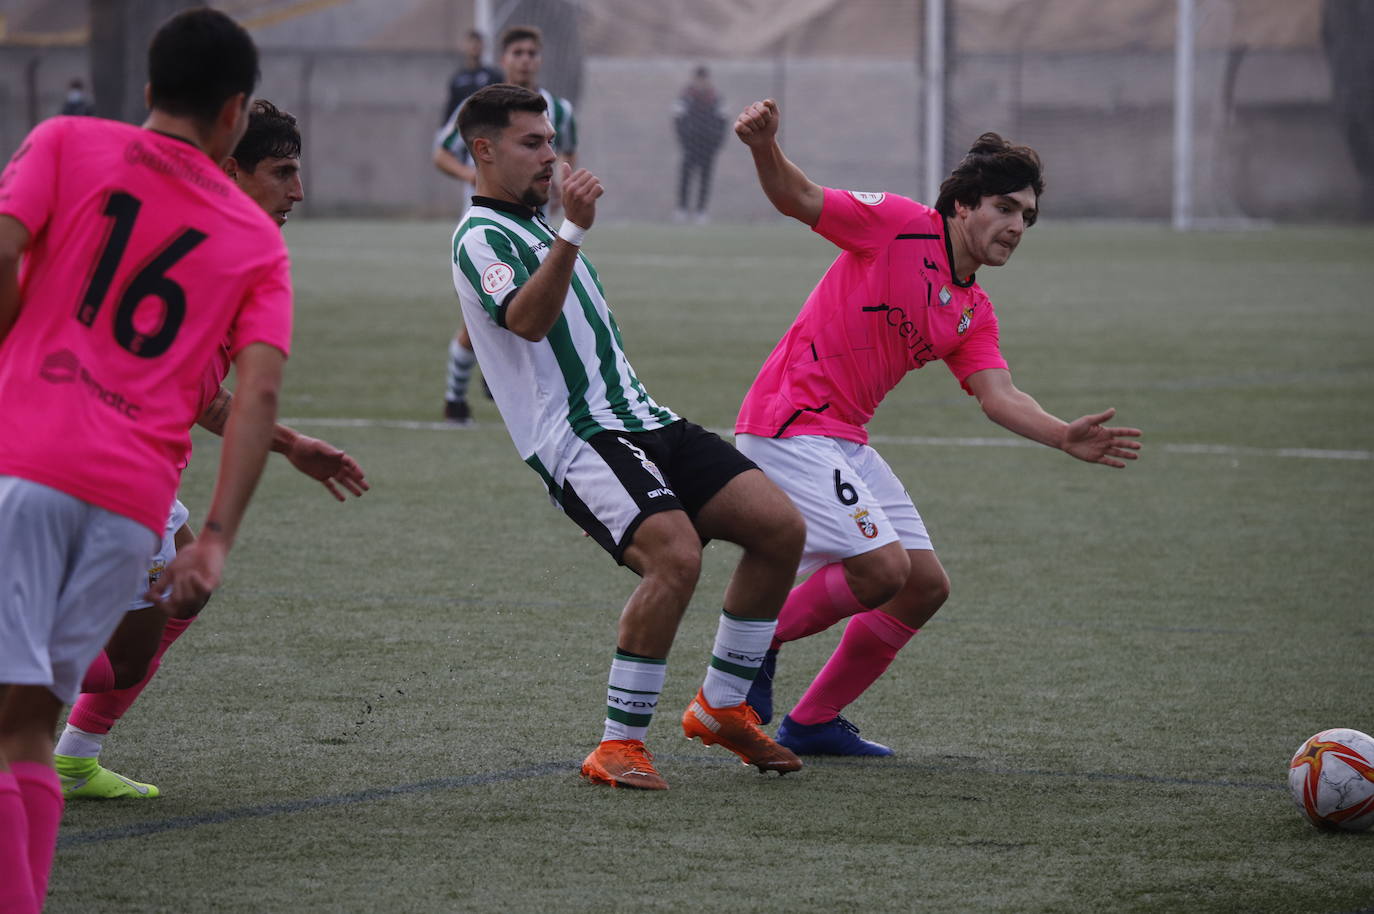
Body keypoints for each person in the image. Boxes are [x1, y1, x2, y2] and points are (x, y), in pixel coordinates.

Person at [731, 99, 1143, 756]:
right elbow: (798, 195)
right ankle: (754, 643)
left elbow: (999, 394)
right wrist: (764, 146)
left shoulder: (973, 311)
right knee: (882, 569)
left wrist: (1062, 434)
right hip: (788, 424)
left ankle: (811, 724)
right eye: (1005, 208)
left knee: (923, 586)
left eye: (1027, 217)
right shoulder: (898, 224)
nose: (1016, 226)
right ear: (963, 206)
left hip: (843, 438)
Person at [0, 9, 291, 909]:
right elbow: (257, 396)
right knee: (26, 735)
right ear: (236, 112)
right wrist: (212, 540)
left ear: (148, 89)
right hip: (130, 503)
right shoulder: (255, 243)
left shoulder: (65, 142)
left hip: (25, 457)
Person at [450, 84, 806, 790]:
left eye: (550, 140)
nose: (550, 155)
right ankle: (618, 745)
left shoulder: (534, 227)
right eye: (531, 143)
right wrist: (573, 233)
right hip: (581, 439)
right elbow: (525, 320)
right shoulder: (480, 237)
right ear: (484, 150)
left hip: (646, 419)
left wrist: (563, 232)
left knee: (780, 528)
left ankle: (723, 707)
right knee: (675, 559)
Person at [52, 99, 368, 801]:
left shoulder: (167, 220)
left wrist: (290, 445)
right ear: (232, 169)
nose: (299, 191)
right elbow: (237, 395)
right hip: (106, 468)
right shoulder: (234, 255)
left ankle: (75, 755)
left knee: (187, 595)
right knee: (124, 658)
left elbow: (205, 395)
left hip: (103, 460)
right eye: (282, 172)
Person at [439, 25, 576, 426]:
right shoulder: (481, 110)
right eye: (517, 53)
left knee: (540, 307)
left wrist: (564, 187)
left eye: (532, 53)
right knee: (483, 317)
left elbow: (567, 155)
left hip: (540, 224)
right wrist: (475, 177)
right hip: (493, 225)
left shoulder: (560, 109)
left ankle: (514, 387)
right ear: (504, 60)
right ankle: (454, 395)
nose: (526, 60)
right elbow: (442, 153)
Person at [673, 65, 727, 224]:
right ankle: (681, 210)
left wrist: (716, 143)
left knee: (705, 179)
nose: (701, 82)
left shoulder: (715, 98)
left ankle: (701, 211)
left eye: (703, 79)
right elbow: (677, 119)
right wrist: (684, 141)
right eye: (698, 79)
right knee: (685, 178)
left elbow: (723, 121)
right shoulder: (685, 97)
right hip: (689, 146)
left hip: (708, 147)